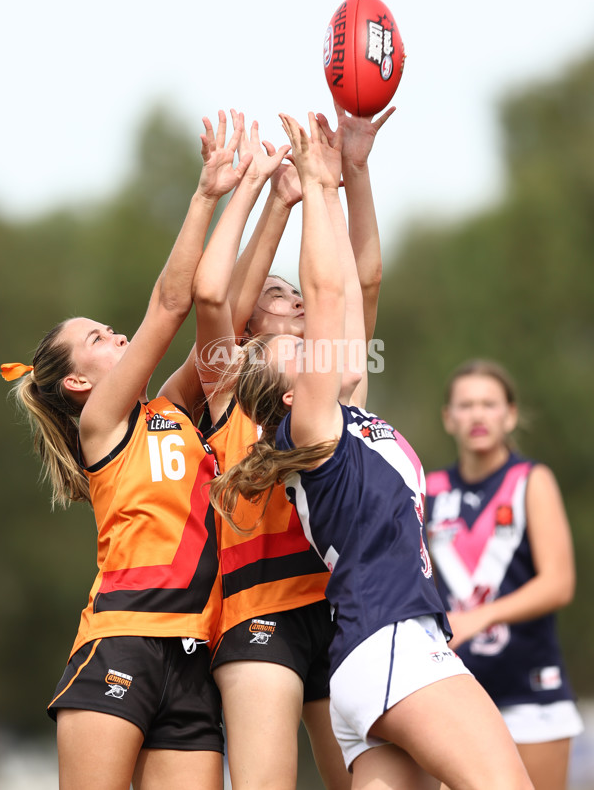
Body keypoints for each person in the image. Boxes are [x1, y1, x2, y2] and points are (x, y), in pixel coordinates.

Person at [208, 113, 535, 790]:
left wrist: (353, 172)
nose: (311, 330)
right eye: (297, 345)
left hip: (366, 651)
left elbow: (356, 285)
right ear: (291, 389)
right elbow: (329, 293)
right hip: (389, 643)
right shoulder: (313, 426)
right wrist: (317, 189)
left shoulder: (342, 417)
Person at [0, 111, 254, 790]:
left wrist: (263, 193)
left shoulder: (171, 410)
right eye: (99, 337)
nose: (115, 334)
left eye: (111, 329)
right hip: (122, 641)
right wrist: (206, 193)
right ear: (78, 382)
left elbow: (218, 309)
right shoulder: (104, 423)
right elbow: (170, 306)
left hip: (195, 654)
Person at [193, 105, 391, 789]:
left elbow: (356, 282)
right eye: (278, 295)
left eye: (297, 290)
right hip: (260, 611)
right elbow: (216, 292)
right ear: (252, 326)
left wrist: (350, 176)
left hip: (341, 606)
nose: (295, 299)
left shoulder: (332, 380)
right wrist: (274, 195)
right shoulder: (227, 382)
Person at [425, 359, 584, 790]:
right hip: (456, 691)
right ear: (448, 418)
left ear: (510, 414)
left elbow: (558, 583)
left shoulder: (531, 480)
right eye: (466, 405)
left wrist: (479, 618)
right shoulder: (431, 489)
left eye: (489, 404)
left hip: (531, 690)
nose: (477, 414)